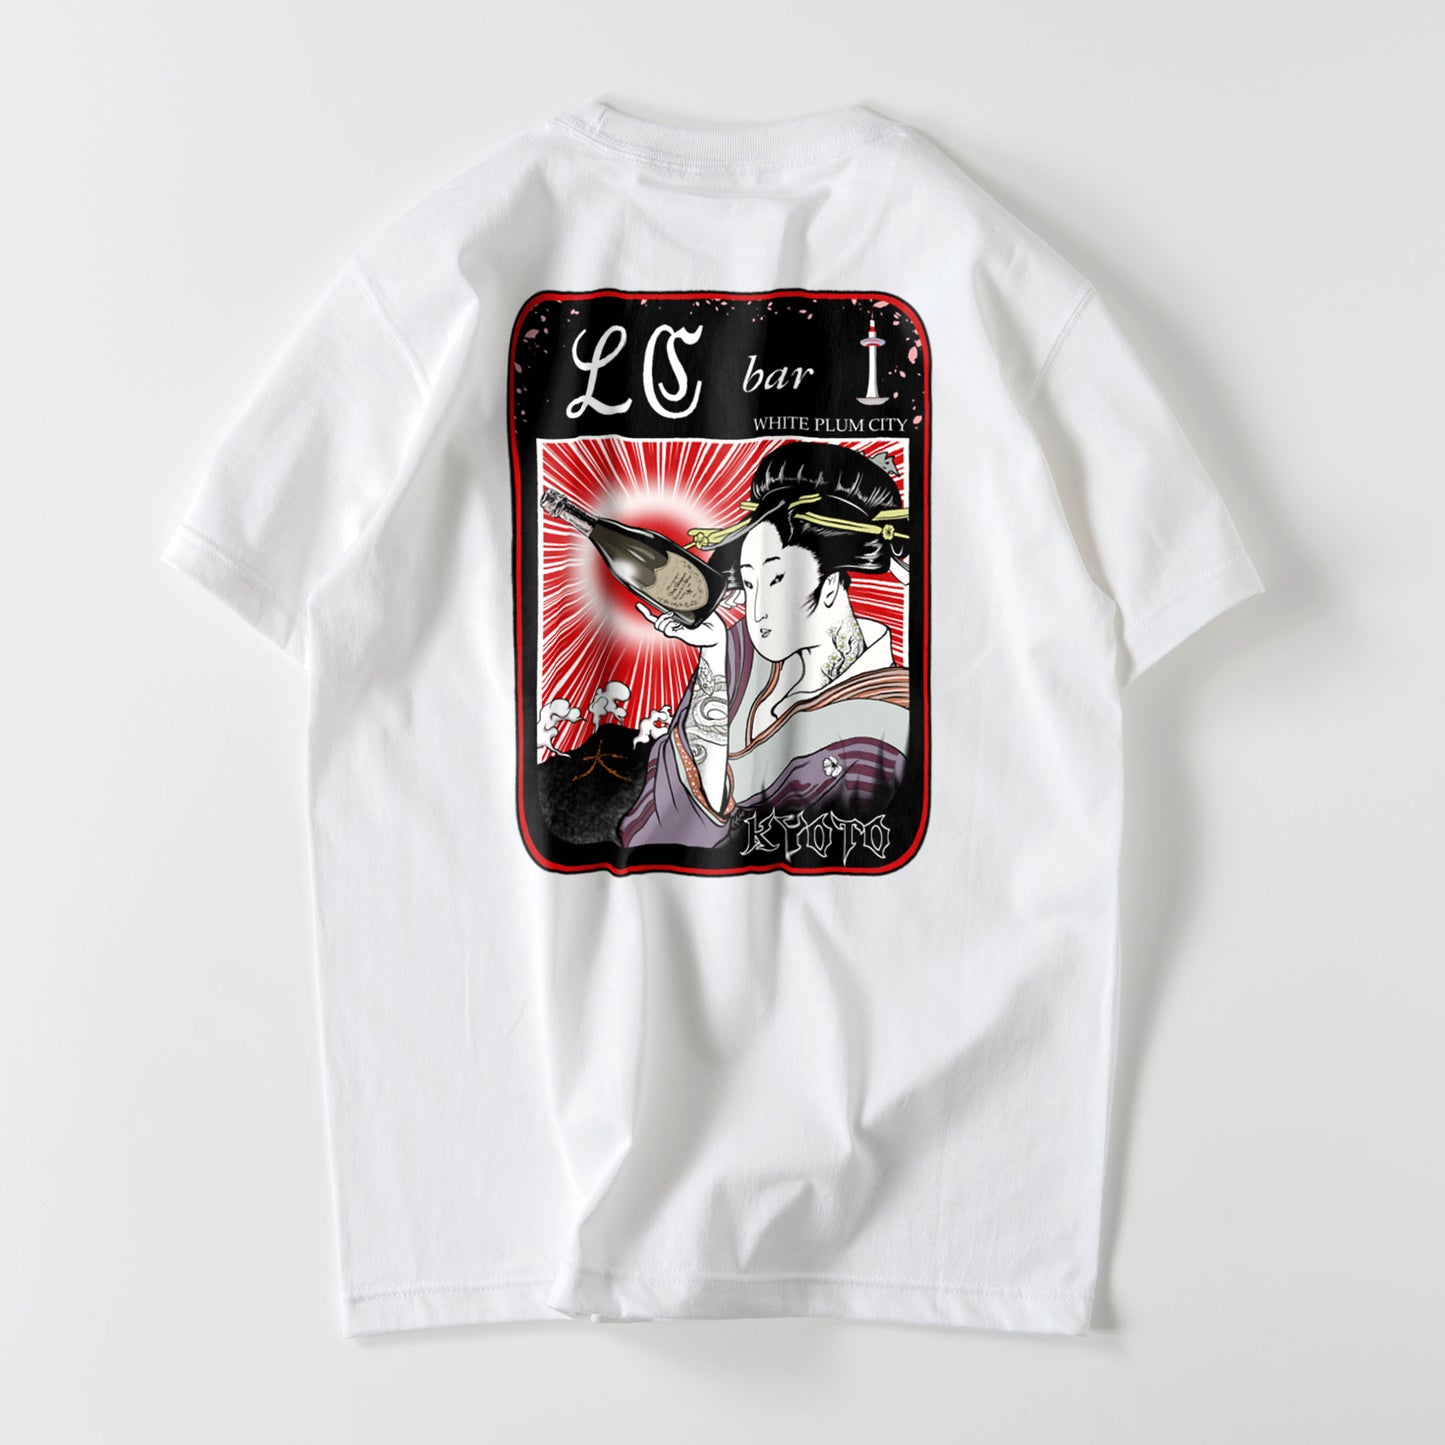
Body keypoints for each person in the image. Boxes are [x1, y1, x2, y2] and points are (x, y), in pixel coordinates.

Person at [619, 440, 911, 849]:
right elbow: (666, 823)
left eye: (776, 580)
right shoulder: (737, 652)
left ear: (830, 583)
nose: (756, 613)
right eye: (750, 583)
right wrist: (712, 655)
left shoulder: (889, 724)